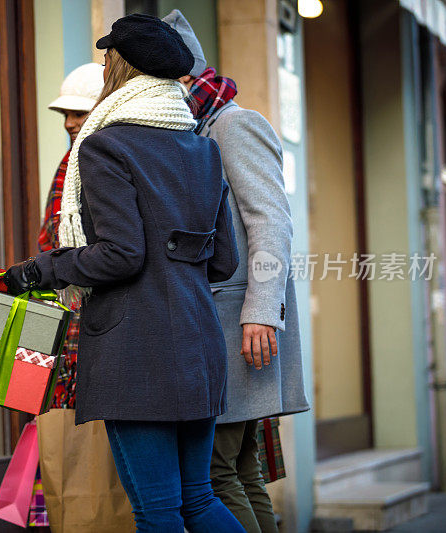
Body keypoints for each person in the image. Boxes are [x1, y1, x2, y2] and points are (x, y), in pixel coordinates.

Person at [4, 14, 244, 533]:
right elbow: (224, 261)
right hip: (199, 346)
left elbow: (121, 255)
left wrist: (45, 269)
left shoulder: (106, 145)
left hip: (138, 351)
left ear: (119, 67)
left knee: (158, 513)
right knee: (198, 500)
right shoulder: (203, 149)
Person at [163, 9, 310, 533]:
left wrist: (262, 312)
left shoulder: (233, 124)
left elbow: (273, 223)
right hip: (228, 323)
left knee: (216, 470)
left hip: (240, 324)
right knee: (238, 468)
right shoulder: (202, 126)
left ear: (182, 77)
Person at [39, 62, 104, 409]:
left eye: (78, 112)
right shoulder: (70, 164)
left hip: (100, 328)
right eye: (65, 114)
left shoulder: (95, 160)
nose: (68, 123)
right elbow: (51, 243)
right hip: (76, 326)